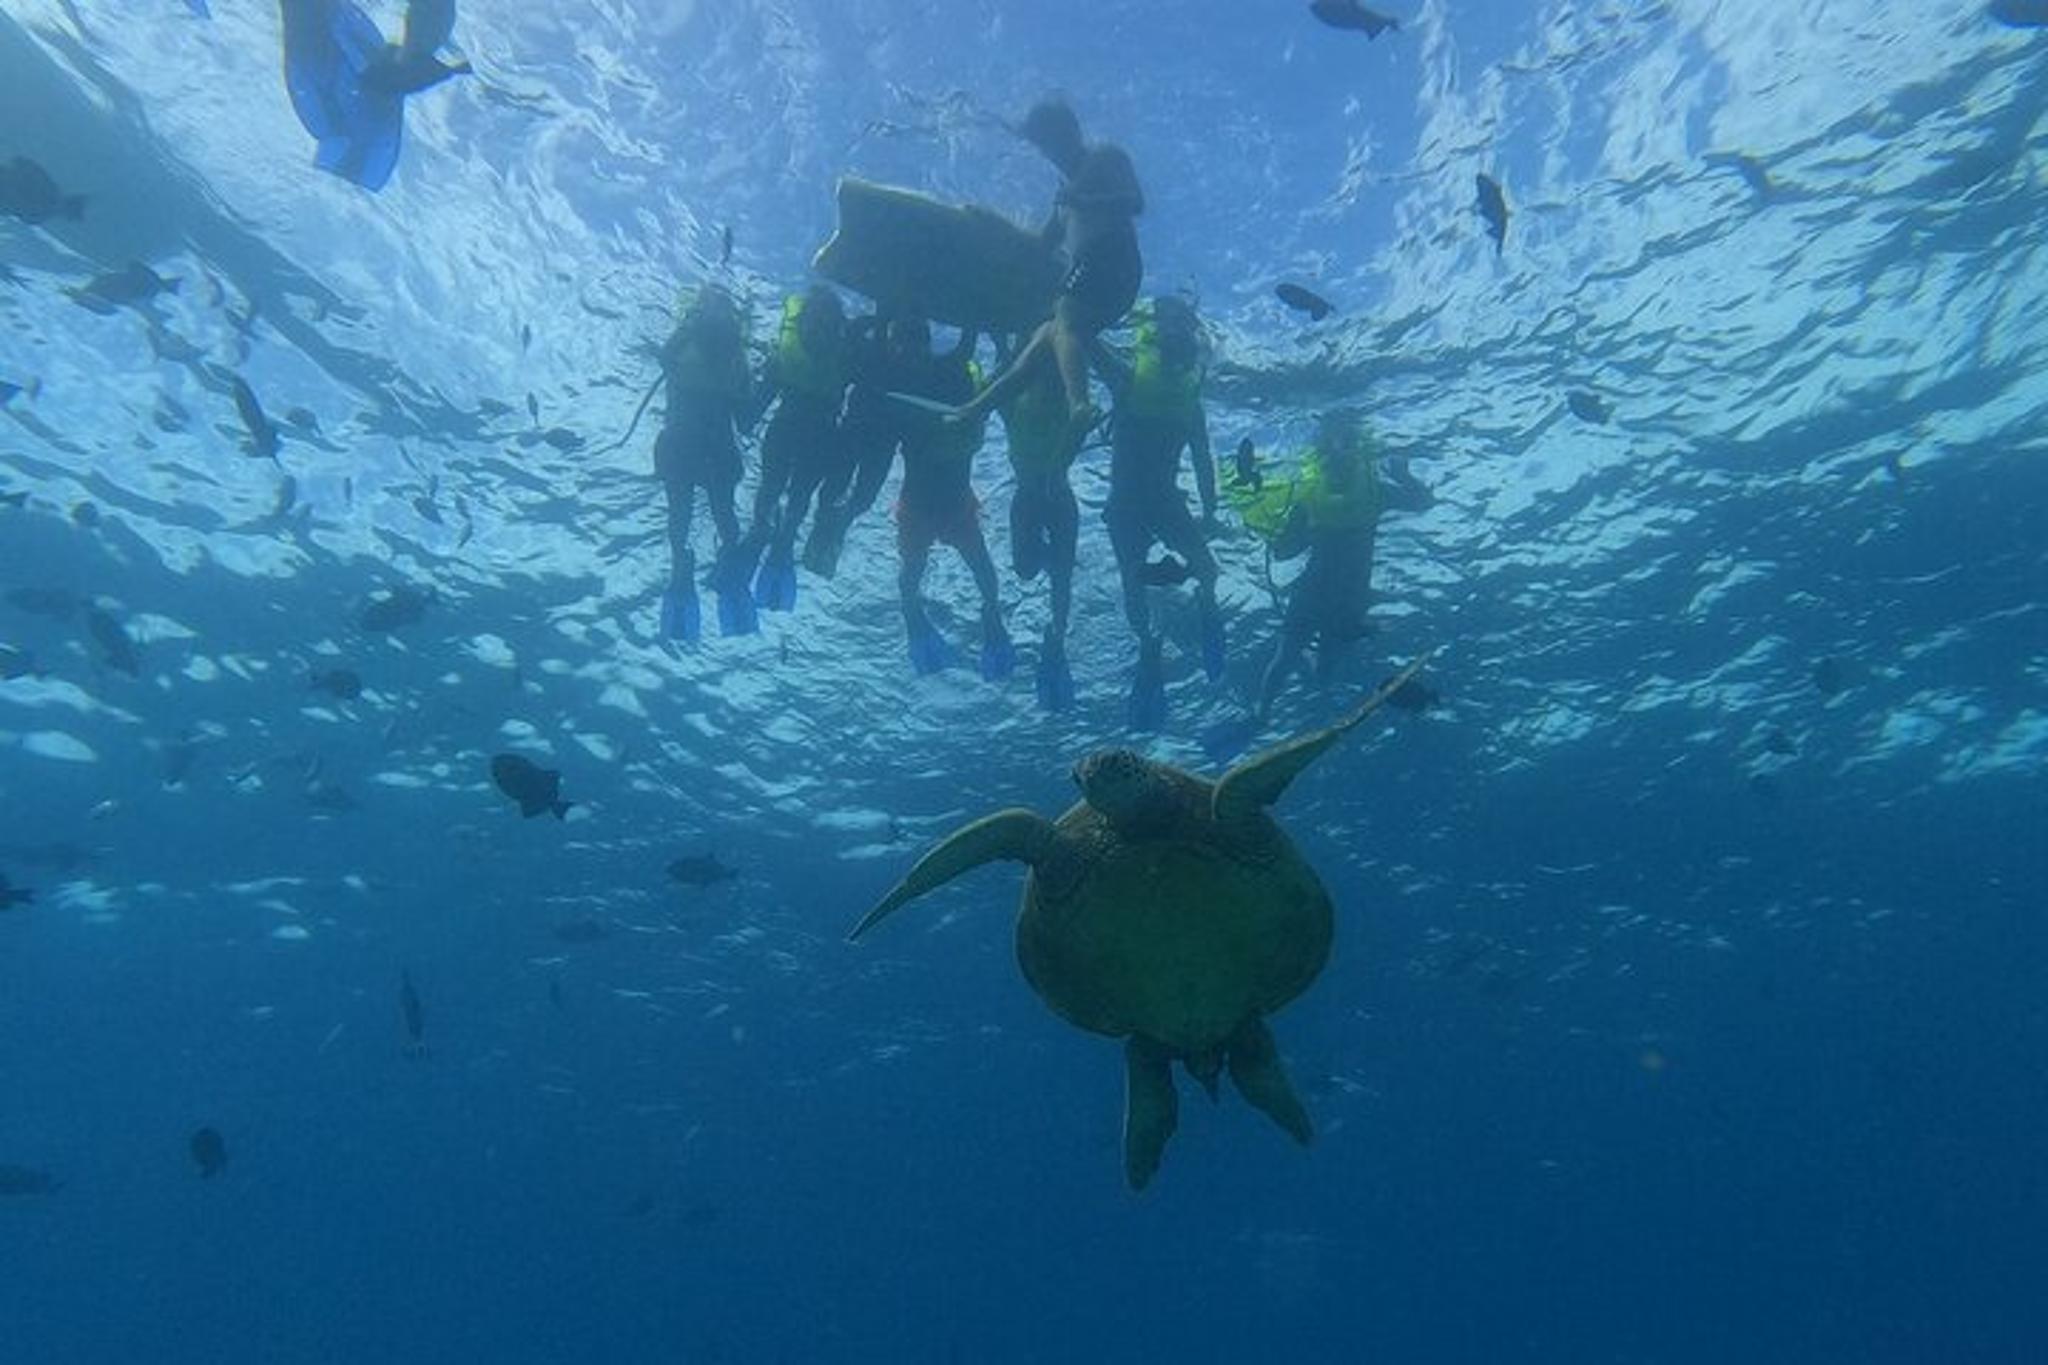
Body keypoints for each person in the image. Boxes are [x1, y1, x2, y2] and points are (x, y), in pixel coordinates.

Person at [943, 98, 1143, 442]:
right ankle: (975, 409)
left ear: (1072, 131)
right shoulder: (1063, 195)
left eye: (1053, 142)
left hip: (1113, 261)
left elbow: (1135, 201)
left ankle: (1080, 404)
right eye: (1044, 147)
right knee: (1043, 340)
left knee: (1065, 318)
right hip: (1096, 277)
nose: (1051, 154)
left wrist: (1086, 201)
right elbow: (1041, 244)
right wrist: (994, 224)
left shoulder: (1103, 158)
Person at [1235, 411, 1433, 721]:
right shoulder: (1344, 494)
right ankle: (1263, 713)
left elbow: (1284, 552)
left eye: (1345, 446)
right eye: (1333, 448)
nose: (1339, 455)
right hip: (1331, 594)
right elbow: (1284, 551)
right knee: (1288, 657)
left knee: (1317, 667)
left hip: (1336, 595)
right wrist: (1275, 532)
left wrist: (1403, 476)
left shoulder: (1362, 491)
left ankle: (1281, 701)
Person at [1096, 295, 1223, 730]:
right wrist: (1210, 511)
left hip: (1152, 501)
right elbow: (1202, 461)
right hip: (1134, 504)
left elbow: (1203, 460)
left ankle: (1192, 615)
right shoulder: (1131, 375)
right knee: (1141, 580)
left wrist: (1211, 510)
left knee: (1198, 570)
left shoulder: (1176, 391)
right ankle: (1151, 645)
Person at [891, 324, 1013, 679]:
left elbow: (1004, 376)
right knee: (920, 572)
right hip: (925, 509)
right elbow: (999, 374)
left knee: (972, 570)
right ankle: (913, 610)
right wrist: (988, 337)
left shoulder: (975, 404)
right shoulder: (915, 408)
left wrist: (995, 338)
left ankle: (989, 613)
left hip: (951, 508)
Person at [732, 286, 850, 612]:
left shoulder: (843, 355)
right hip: (801, 434)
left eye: (826, 323)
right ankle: (769, 531)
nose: (820, 329)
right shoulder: (795, 353)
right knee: (780, 491)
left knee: (792, 494)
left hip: (806, 436)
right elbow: (763, 396)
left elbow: (760, 401)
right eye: (816, 321)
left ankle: (777, 535)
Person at [652, 285, 756, 642]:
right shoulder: (733, 355)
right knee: (720, 515)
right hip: (712, 450)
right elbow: (746, 419)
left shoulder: (691, 344)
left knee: (683, 514)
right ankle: (720, 561)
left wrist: (688, 327)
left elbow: (664, 359)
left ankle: (683, 564)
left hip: (683, 445)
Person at [279, 0, 470, 192]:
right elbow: (379, 83)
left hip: (333, 45)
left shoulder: (344, 139)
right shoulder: (333, 131)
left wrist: (452, 69)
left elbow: (379, 83)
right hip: (336, 46)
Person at [803, 308, 925, 578]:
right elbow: (851, 334)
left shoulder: (919, 372)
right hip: (853, 434)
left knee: (864, 498)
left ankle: (836, 528)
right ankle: (824, 532)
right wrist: (876, 320)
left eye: (913, 345)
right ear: (892, 339)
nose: (905, 351)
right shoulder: (873, 352)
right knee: (833, 489)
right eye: (900, 342)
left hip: (880, 445)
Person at [999, 357, 1082, 710]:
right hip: (1028, 500)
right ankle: (1050, 558)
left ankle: (1056, 639)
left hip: (1060, 502)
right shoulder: (1014, 404)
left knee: (1062, 580)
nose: (1049, 389)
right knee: (1024, 570)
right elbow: (1002, 383)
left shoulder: (1071, 408)